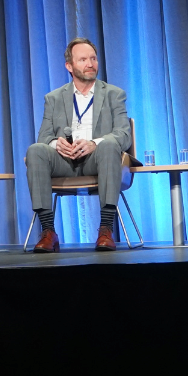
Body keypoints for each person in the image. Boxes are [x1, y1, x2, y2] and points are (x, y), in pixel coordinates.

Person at [26, 38, 131, 252]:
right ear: (69, 66)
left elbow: (124, 134)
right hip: (63, 162)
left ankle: (106, 229)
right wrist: (56, 144)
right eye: (83, 60)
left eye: (93, 58)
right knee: (35, 150)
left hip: (99, 161)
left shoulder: (114, 94)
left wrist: (94, 144)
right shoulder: (54, 98)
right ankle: (48, 231)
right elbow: (44, 137)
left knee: (109, 144)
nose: (90, 64)